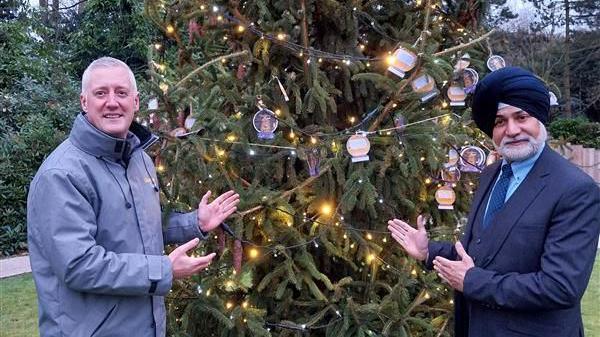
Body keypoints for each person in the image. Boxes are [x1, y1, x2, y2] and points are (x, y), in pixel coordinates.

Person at [27, 57, 240, 337]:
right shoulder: (61, 175)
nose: (112, 102)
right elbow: (79, 265)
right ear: (84, 102)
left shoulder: (139, 159)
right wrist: (163, 269)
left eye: (122, 93)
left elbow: (138, 225)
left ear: (136, 102)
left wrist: (194, 223)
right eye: (101, 93)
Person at [388, 67, 599, 337]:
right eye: (500, 121)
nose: (511, 130)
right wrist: (429, 251)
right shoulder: (491, 174)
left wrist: (472, 281)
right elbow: (481, 253)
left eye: (521, 117)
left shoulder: (574, 189)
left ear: (540, 120)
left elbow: (560, 286)